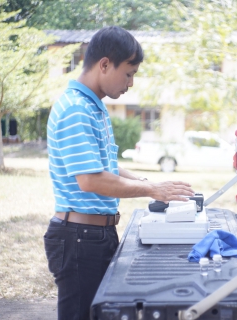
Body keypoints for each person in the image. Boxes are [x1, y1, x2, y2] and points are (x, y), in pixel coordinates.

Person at [44, 26, 194, 320]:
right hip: (79, 238)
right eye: (128, 73)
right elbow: (90, 180)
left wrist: (149, 182)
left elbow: (106, 168)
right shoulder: (76, 109)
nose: (132, 83)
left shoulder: (93, 107)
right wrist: (152, 190)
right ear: (104, 64)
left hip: (94, 234)